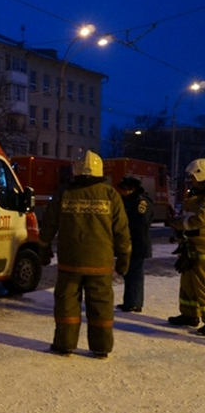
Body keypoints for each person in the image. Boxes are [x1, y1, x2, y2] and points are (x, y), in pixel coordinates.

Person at [39, 150, 131, 359]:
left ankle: (64, 345)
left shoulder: (64, 192)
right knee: (101, 305)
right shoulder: (110, 195)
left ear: (76, 170)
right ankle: (101, 347)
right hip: (100, 263)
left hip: (70, 262)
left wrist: (44, 249)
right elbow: (121, 231)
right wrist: (124, 258)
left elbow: (48, 225)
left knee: (66, 303)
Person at [166, 158, 205, 335]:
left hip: (202, 249)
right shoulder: (195, 195)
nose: (190, 180)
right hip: (191, 247)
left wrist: (179, 223)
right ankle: (189, 315)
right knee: (188, 284)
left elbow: (200, 220)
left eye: (192, 176)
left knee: (202, 285)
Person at [116, 176, 153, 312]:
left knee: (135, 274)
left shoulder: (141, 202)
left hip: (138, 243)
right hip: (131, 242)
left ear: (132, 189)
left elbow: (140, 222)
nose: (123, 192)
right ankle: (129, 301)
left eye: (125, 190)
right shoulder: (129, 200)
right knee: (129, 273)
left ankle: (135, 303)